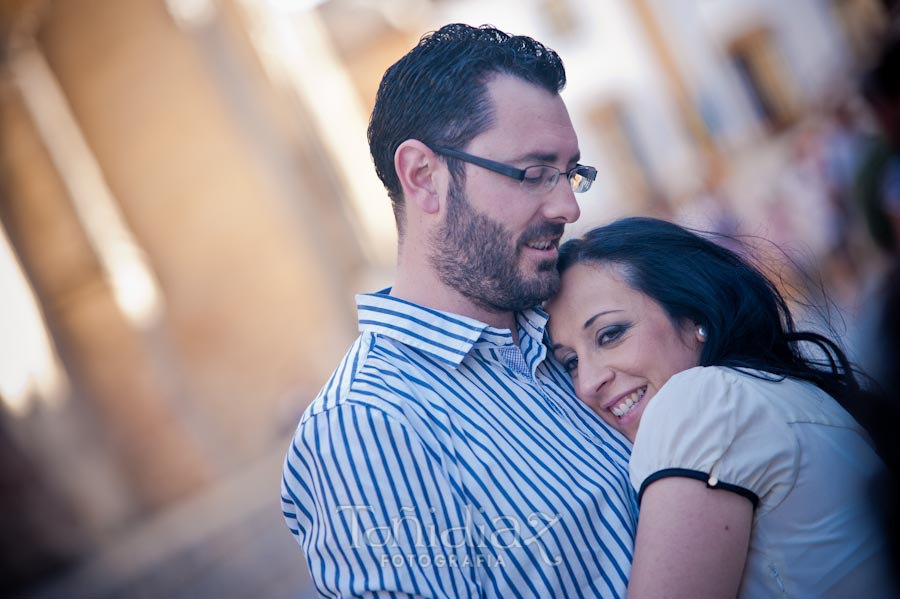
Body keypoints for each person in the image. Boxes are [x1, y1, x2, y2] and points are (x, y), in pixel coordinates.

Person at [281, 24, 637, 598]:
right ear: (425, 177)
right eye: (533, 173)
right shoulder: (370, 426)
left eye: (570, 173)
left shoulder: (576, 329)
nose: (568, 206)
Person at [545, 217, 896, 598]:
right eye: (571, 363)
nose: (587, 383)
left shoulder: (700, 400)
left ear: (693, 312)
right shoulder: (773, 390)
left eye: (610, 334)